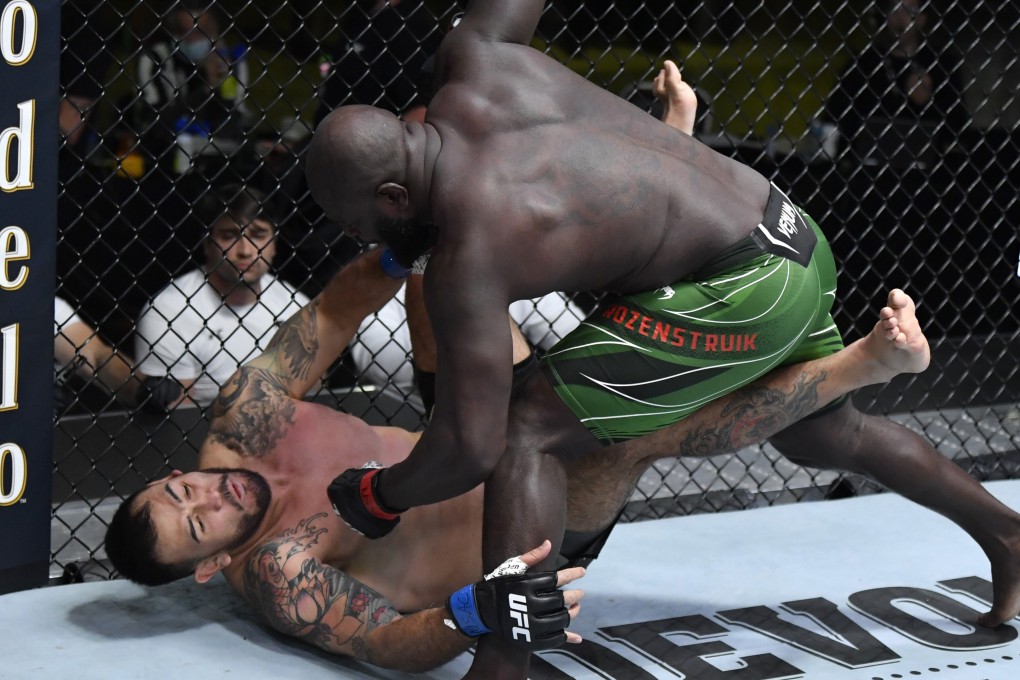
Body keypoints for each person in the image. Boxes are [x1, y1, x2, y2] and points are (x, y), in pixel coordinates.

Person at [304, 4, 1020, 675]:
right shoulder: (477, 52)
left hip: (742, 289)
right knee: (824, 434)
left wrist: (378, 494)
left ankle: (503, 667)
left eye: (363, 226)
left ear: (394, 197)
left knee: (528, 428)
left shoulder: (470, 254)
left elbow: (469, 447)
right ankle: (1008, 534)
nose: (371, 242)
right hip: (789, 230)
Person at [103, 239, 933, 672]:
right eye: (198, 526)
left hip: (470, 435)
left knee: (445, 272)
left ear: (173, 472)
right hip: (532, 527)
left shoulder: (245, 416)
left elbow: (330, 316)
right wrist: (474, 612)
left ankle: (667, 205)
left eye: (180, 491)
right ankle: (863, 364)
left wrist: (396, 252)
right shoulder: (281, 571)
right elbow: (382, 644)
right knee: (632, 433)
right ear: (210, 567)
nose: (205, 498)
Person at [134, 184, 310, 408]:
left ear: (274, 244)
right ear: (207, 244)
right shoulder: (169, 311)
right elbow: (177, 417)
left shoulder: (296, 307)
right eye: (229, 236)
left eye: (258, 235)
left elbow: (312, 396)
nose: (246, 250)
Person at [129, 0, 251, 173]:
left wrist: (222, 82)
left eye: (201, 32)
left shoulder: (230, 61)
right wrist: (207, 88)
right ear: (173, 32)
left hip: (219, 163)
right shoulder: (155, 59)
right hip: (162, 162)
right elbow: (156, 126)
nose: (194, 40)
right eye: (185, 32)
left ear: (215, 30)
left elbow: (234, 126)